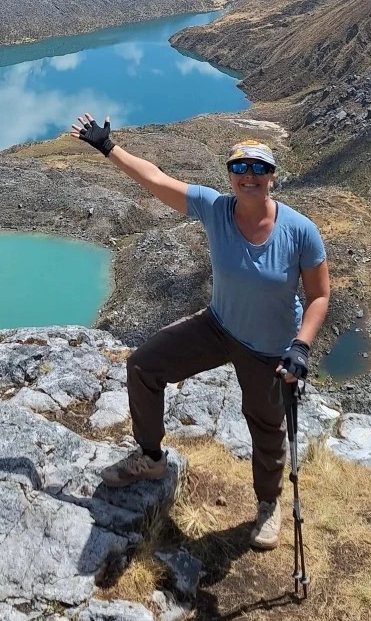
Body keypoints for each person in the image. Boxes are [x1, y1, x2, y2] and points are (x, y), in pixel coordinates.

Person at [69, 113, 330, 550]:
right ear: (230, 175)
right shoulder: (215, 208)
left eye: (259, 168)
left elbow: (320, 295)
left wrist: (300, 347)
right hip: (219, 325)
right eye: (240, 168)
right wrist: (108, 147)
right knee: (144, 366)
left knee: (265, 427)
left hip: (270, 347)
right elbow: (156, 180)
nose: (249, 176)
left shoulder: (300, 231)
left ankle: (268, 505)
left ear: (272, 178)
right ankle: (151, 458)